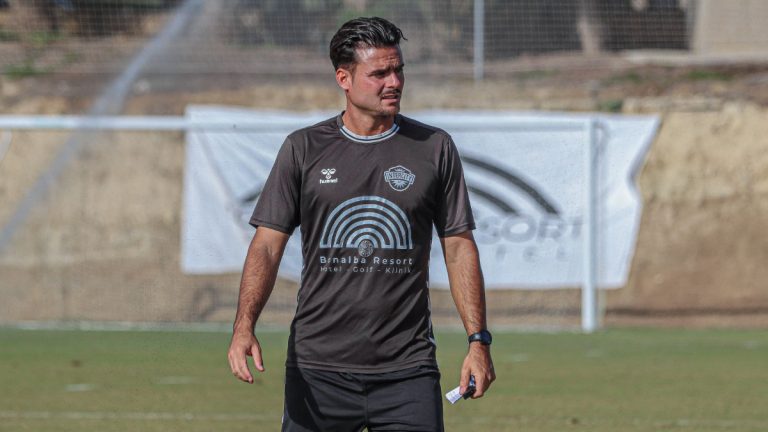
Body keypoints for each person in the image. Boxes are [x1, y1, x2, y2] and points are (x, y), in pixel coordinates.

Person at [228, 16, 495, 431]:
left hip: (408, 370)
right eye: (379, 73)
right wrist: (244, 326)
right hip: (318, 370)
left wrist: (478, 341)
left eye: (398, 69)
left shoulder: (435, 147)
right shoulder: (303, 149)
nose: (394, 82)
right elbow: (266, 245)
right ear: (344, 78)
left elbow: (459, 247)